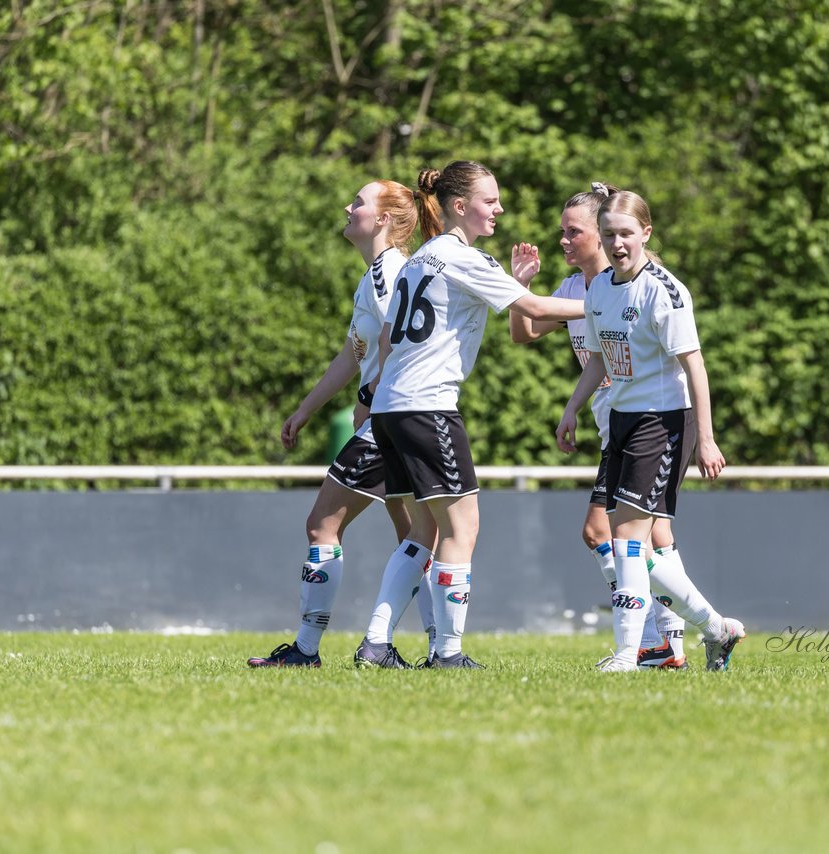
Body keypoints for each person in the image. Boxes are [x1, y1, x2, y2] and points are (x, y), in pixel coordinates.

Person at [361, 160, 584, 669]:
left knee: (424, 533)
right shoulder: (462, 257)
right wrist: (609, 302)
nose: (500, 208)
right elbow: (540, 311)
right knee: (463, 530)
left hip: (393, 406)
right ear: (459, 206)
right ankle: (448, 653)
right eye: (491, 200)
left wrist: (515, 283)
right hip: (429, 406)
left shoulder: (420, 258)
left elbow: (390, 336)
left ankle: (376, 642)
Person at [248, 179, 435, 669]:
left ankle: (307, 650)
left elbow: (401, 346)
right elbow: (355, 352)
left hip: (388, 420)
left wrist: (373, 400)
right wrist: (306, 408)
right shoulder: (374, 275)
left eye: (358, 201)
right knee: (415, 535)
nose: (347, 207)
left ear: (385, 220)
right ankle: (439, 651)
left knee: (322, 525)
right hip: (390, 417)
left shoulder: (396, 272)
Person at [556, 189, 746, 672]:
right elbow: (599, 358)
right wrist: (572, 408)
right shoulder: (599, 288)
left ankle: (627, 654)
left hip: (662, 422)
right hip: (620, 421)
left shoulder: (664, 290)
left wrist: (706, 436)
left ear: (646, 233)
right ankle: (715, 628)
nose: (617, 243)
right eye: (609, 234)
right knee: (636, 541)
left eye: (625, 233)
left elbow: (694, 365)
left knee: (627, 539)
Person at [510, 182, 689, 669]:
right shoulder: (575, 288)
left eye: (574, 232)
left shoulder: (625, 283)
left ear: (602, 233)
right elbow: (523, 332)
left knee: (603, 532)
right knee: (654, 538)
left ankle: (659, 636)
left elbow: (681, 357)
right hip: (616, 426)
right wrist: (521, 287)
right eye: (562, 232)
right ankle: (675, 641)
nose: (564, 241)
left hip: (647, 421)